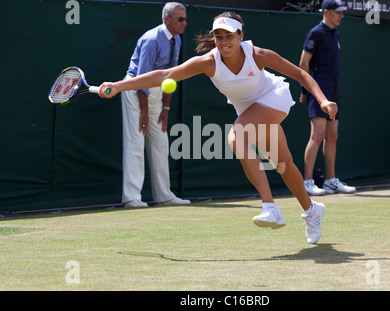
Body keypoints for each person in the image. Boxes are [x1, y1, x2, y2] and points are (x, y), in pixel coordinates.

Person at [99, 12, 338, 244]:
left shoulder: (259, 55)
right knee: (283, 166)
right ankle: (312, 210)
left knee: (237, 137)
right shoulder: (208, 62)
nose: (224, 42)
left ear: (240, 35)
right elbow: (165, 74)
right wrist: (119, 86)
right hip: (249, 110)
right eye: (219, 36)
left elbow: (300, 74)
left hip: (273, 97)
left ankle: (270, 206)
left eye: (229, 36)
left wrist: (322, 99)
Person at [121, 2, 191, 207]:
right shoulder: (152, 39)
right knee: (136, 143)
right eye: (180, 19)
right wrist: (144, 111)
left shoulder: (177, 40)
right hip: (135, 91)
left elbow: (171, 76)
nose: (184, 23)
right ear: (167, 19)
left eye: (186, 19)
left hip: (156, 92)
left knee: (160, 142)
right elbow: (141, 79)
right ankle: (131, 197)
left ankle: (164, 196)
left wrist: (165, 108)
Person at [299, 0, 356, 196]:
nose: (341, 15)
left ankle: (331, 181)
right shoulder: (316, 33)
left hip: (333, 87)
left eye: (342, 12)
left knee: (332, 136)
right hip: (319, 88)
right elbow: (303, 63)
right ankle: (307, 182)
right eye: (337, 12)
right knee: (317, 135)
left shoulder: (335, 33)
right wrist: (305, 90)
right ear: (326, 12)